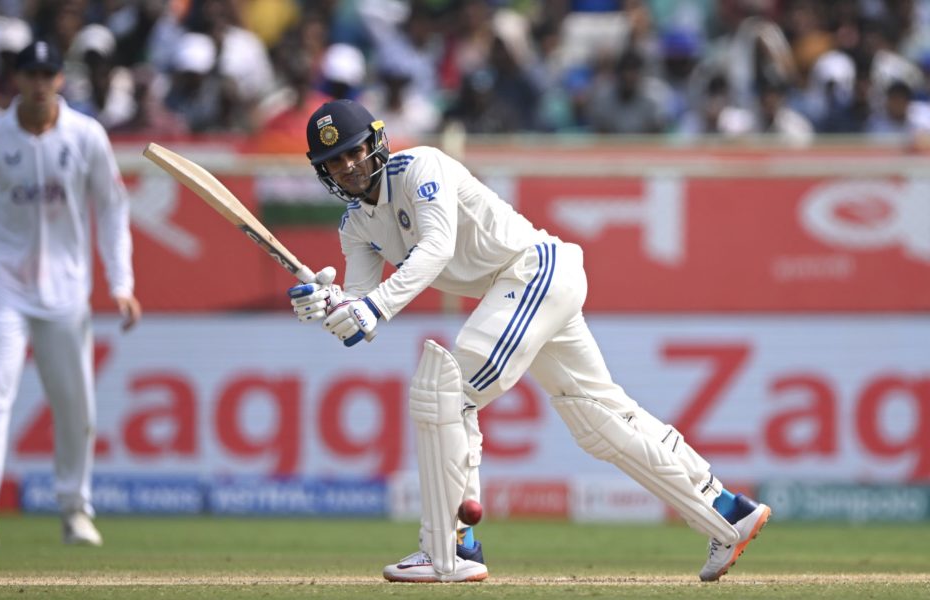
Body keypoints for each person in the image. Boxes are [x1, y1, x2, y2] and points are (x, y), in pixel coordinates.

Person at [287, 99, 771, 583]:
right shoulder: (356, 226)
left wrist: (368, 307)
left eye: (356, 151)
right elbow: (361, 310)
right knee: (596, 418)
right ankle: (725, 510)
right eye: (336, 161)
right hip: (525, 289)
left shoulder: (420, 167)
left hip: (533, 270)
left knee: (447, 393)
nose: (349, 166)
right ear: (324, 170)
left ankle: (450, 548)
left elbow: (435, 250)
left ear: (377, 143)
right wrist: (330, 306)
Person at [0, 40, 140, 547]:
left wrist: (121, 283)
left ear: (59, 78)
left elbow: (112, 211)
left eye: (47, 74)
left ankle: (75, 511)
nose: (39, 84)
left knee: (75, 405)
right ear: (17, 79)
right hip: (4, 286)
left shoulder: (86, 136)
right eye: (31, 74)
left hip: (65, 291)